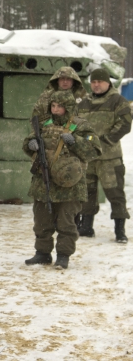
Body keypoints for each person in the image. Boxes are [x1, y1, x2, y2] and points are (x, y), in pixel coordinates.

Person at [24, 90, 101, 269]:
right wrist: (30, 144)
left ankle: (63, 255)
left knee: (66, 223)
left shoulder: (81, 126)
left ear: (68, 108)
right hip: (44, 182)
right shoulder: (44, 125)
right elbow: (29, 140)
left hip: (70, 184)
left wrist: (75, 141)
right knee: (42, 221)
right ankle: (42, 253)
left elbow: (94, 150)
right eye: (53, 106)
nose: (56, 109)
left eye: (60, 106)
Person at [77, 68, 132, 243]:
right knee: (86, 193)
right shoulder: (83, 103)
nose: (97, 85)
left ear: (108, 83)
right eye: (93, 82)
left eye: (100, 81)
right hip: (88, 159)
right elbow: (75, 125)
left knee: (115, 194)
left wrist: (104, 140)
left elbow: (125, 124)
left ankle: (119, 230)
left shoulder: (118, 101)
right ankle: (86, 227)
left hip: (110, 158)